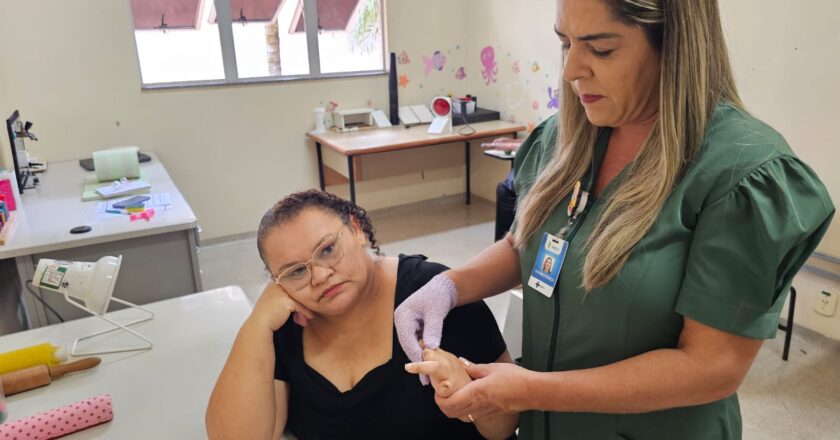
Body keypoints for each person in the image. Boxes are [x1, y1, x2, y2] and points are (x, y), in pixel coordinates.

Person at [394, 1, 835, 439]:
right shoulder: (563, 137)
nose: (570, 71)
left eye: (600, 49)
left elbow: (712, 367)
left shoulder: (739, 176)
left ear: (676, 46)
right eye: (565, 43)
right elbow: (529, 242)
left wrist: (531, 390)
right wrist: (449, 286)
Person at [206, 190, 518, 440]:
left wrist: (471, 397)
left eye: (327, 250)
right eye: (295, 271)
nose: (319, 276)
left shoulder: (433, 295)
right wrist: (257, 324)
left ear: (356, 230)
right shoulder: (288, 322)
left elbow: (504, 428)